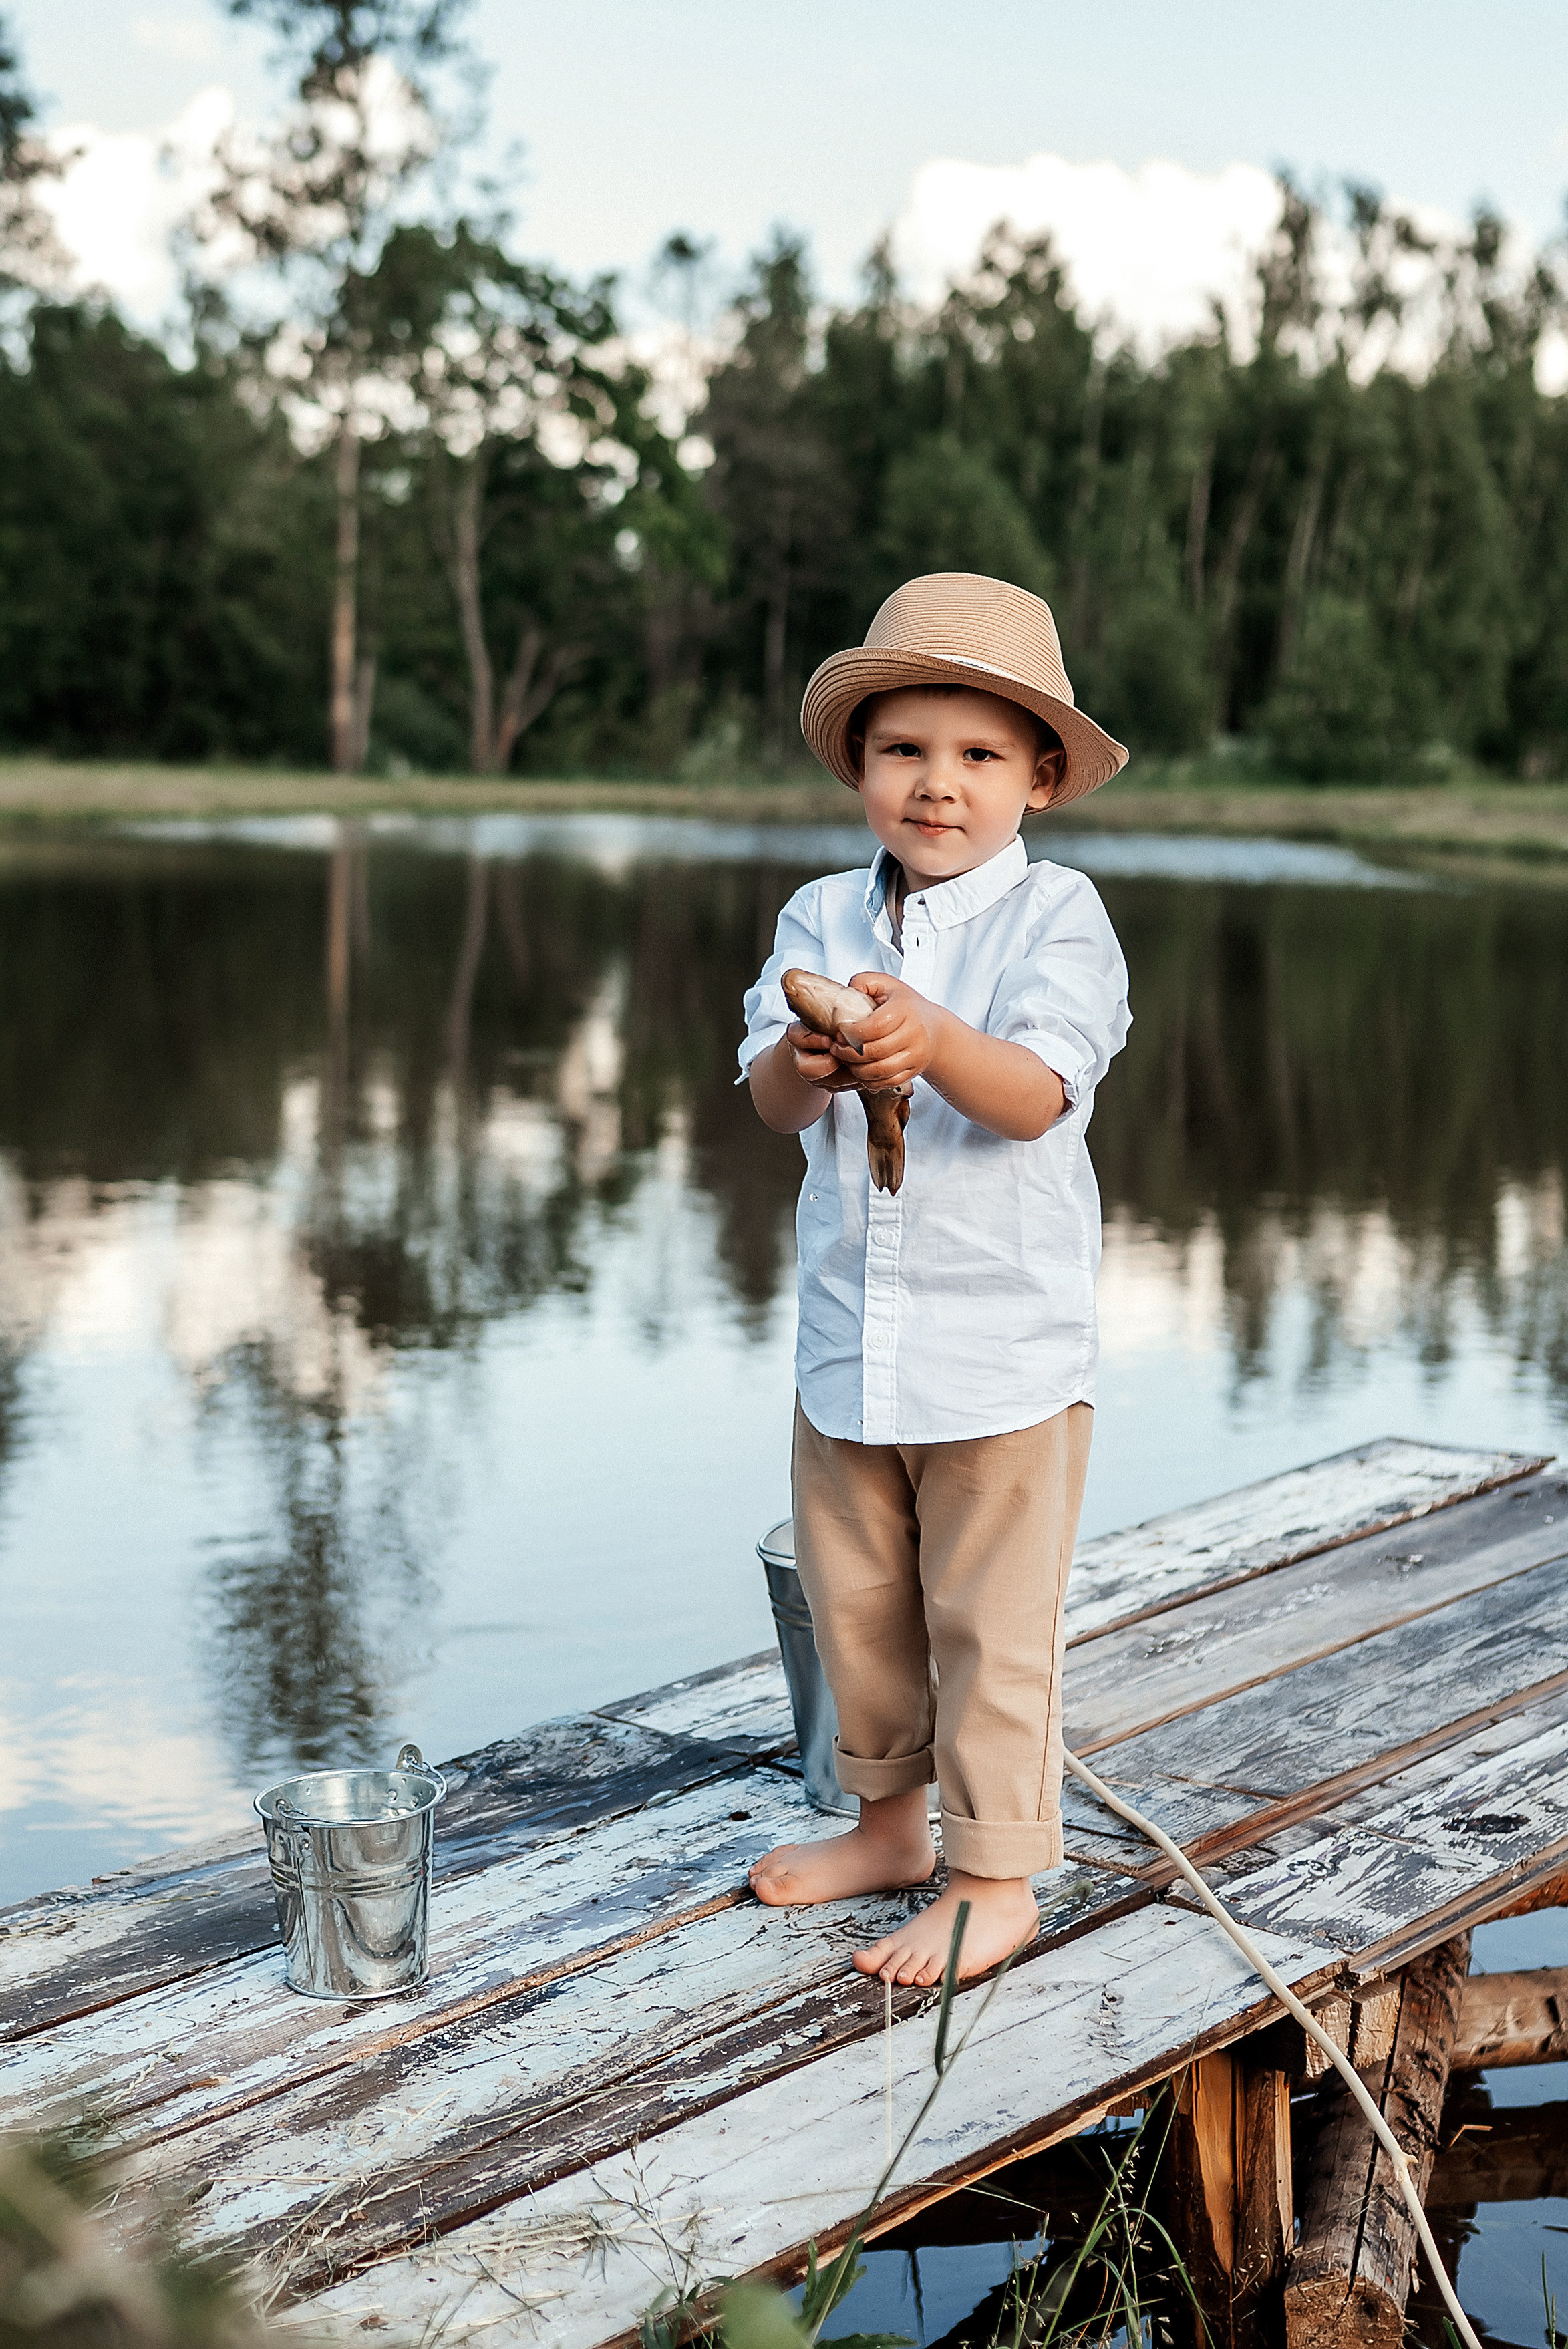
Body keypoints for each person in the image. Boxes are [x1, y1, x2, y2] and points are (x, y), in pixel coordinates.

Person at [738, 571, 1132, 1986]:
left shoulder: (1060, 923)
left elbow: (1031, 1094)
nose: (937, 785)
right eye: (904, 749)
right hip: (850, 1348)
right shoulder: (816, 923)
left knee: (986, 1623)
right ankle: (889, 1825)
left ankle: (993, 1874)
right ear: (858, 765)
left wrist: (927, 1043)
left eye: (977, 756)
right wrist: (818, 1054)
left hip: (999, 1360)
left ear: (1038, 776)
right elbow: (773, 1104)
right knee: (860, 1609)